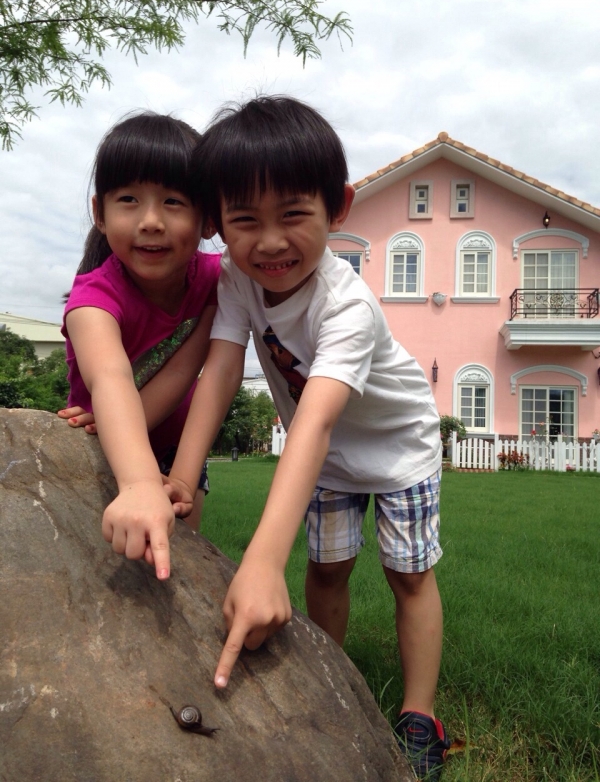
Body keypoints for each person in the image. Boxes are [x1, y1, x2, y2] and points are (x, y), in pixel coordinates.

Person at [108, 96, 450, 780]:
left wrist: (263, 562)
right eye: (245, 220)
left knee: (409, 576)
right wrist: (182, 474)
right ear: (218, 223)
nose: (268, 242)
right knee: (326, 571)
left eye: (292, 214)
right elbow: (220, 369)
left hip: (399, 450)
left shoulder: (346, 307)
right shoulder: (239, 281)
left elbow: (315, 421)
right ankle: (331, 685)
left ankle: (420, 716)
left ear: (338, 206)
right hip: (326, 459)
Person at [59, 112, 220, 566]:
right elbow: (110, 378)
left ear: (208, 219)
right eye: (128, 199)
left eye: (174, 201)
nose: (151, 221)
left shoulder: (219, 281)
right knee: (107, 564)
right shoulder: (93, 300)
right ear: (100, 214)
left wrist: (163, 479)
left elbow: (189, 368)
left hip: (178, 448)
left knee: (182, 565)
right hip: (107, 446)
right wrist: (140, 483)